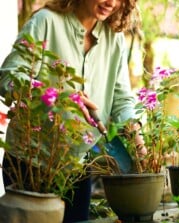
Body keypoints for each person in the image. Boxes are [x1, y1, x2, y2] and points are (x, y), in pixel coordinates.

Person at [0, 0, 147, 222]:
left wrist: (138, 140)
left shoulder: (114, 38)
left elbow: (121, 99)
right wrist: (59, 97)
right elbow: (8, 79)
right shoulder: (45, 22)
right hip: (31, 161)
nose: (112, 2)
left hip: (77, 165)